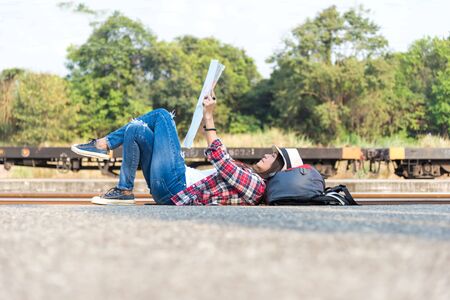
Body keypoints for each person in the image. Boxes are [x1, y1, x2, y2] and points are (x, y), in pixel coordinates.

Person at [71, 91, 303, 205]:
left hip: (177, 185)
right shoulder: (250, 178)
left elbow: (221, 160)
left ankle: (104, 144)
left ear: (278, 170)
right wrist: (204, 117)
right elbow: (220, 160)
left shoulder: (257, 186)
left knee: (162, 115)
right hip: (172, 186)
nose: (267, 154)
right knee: (136, 129)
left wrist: (209, 117)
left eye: (273, 156)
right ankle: (123, 190)